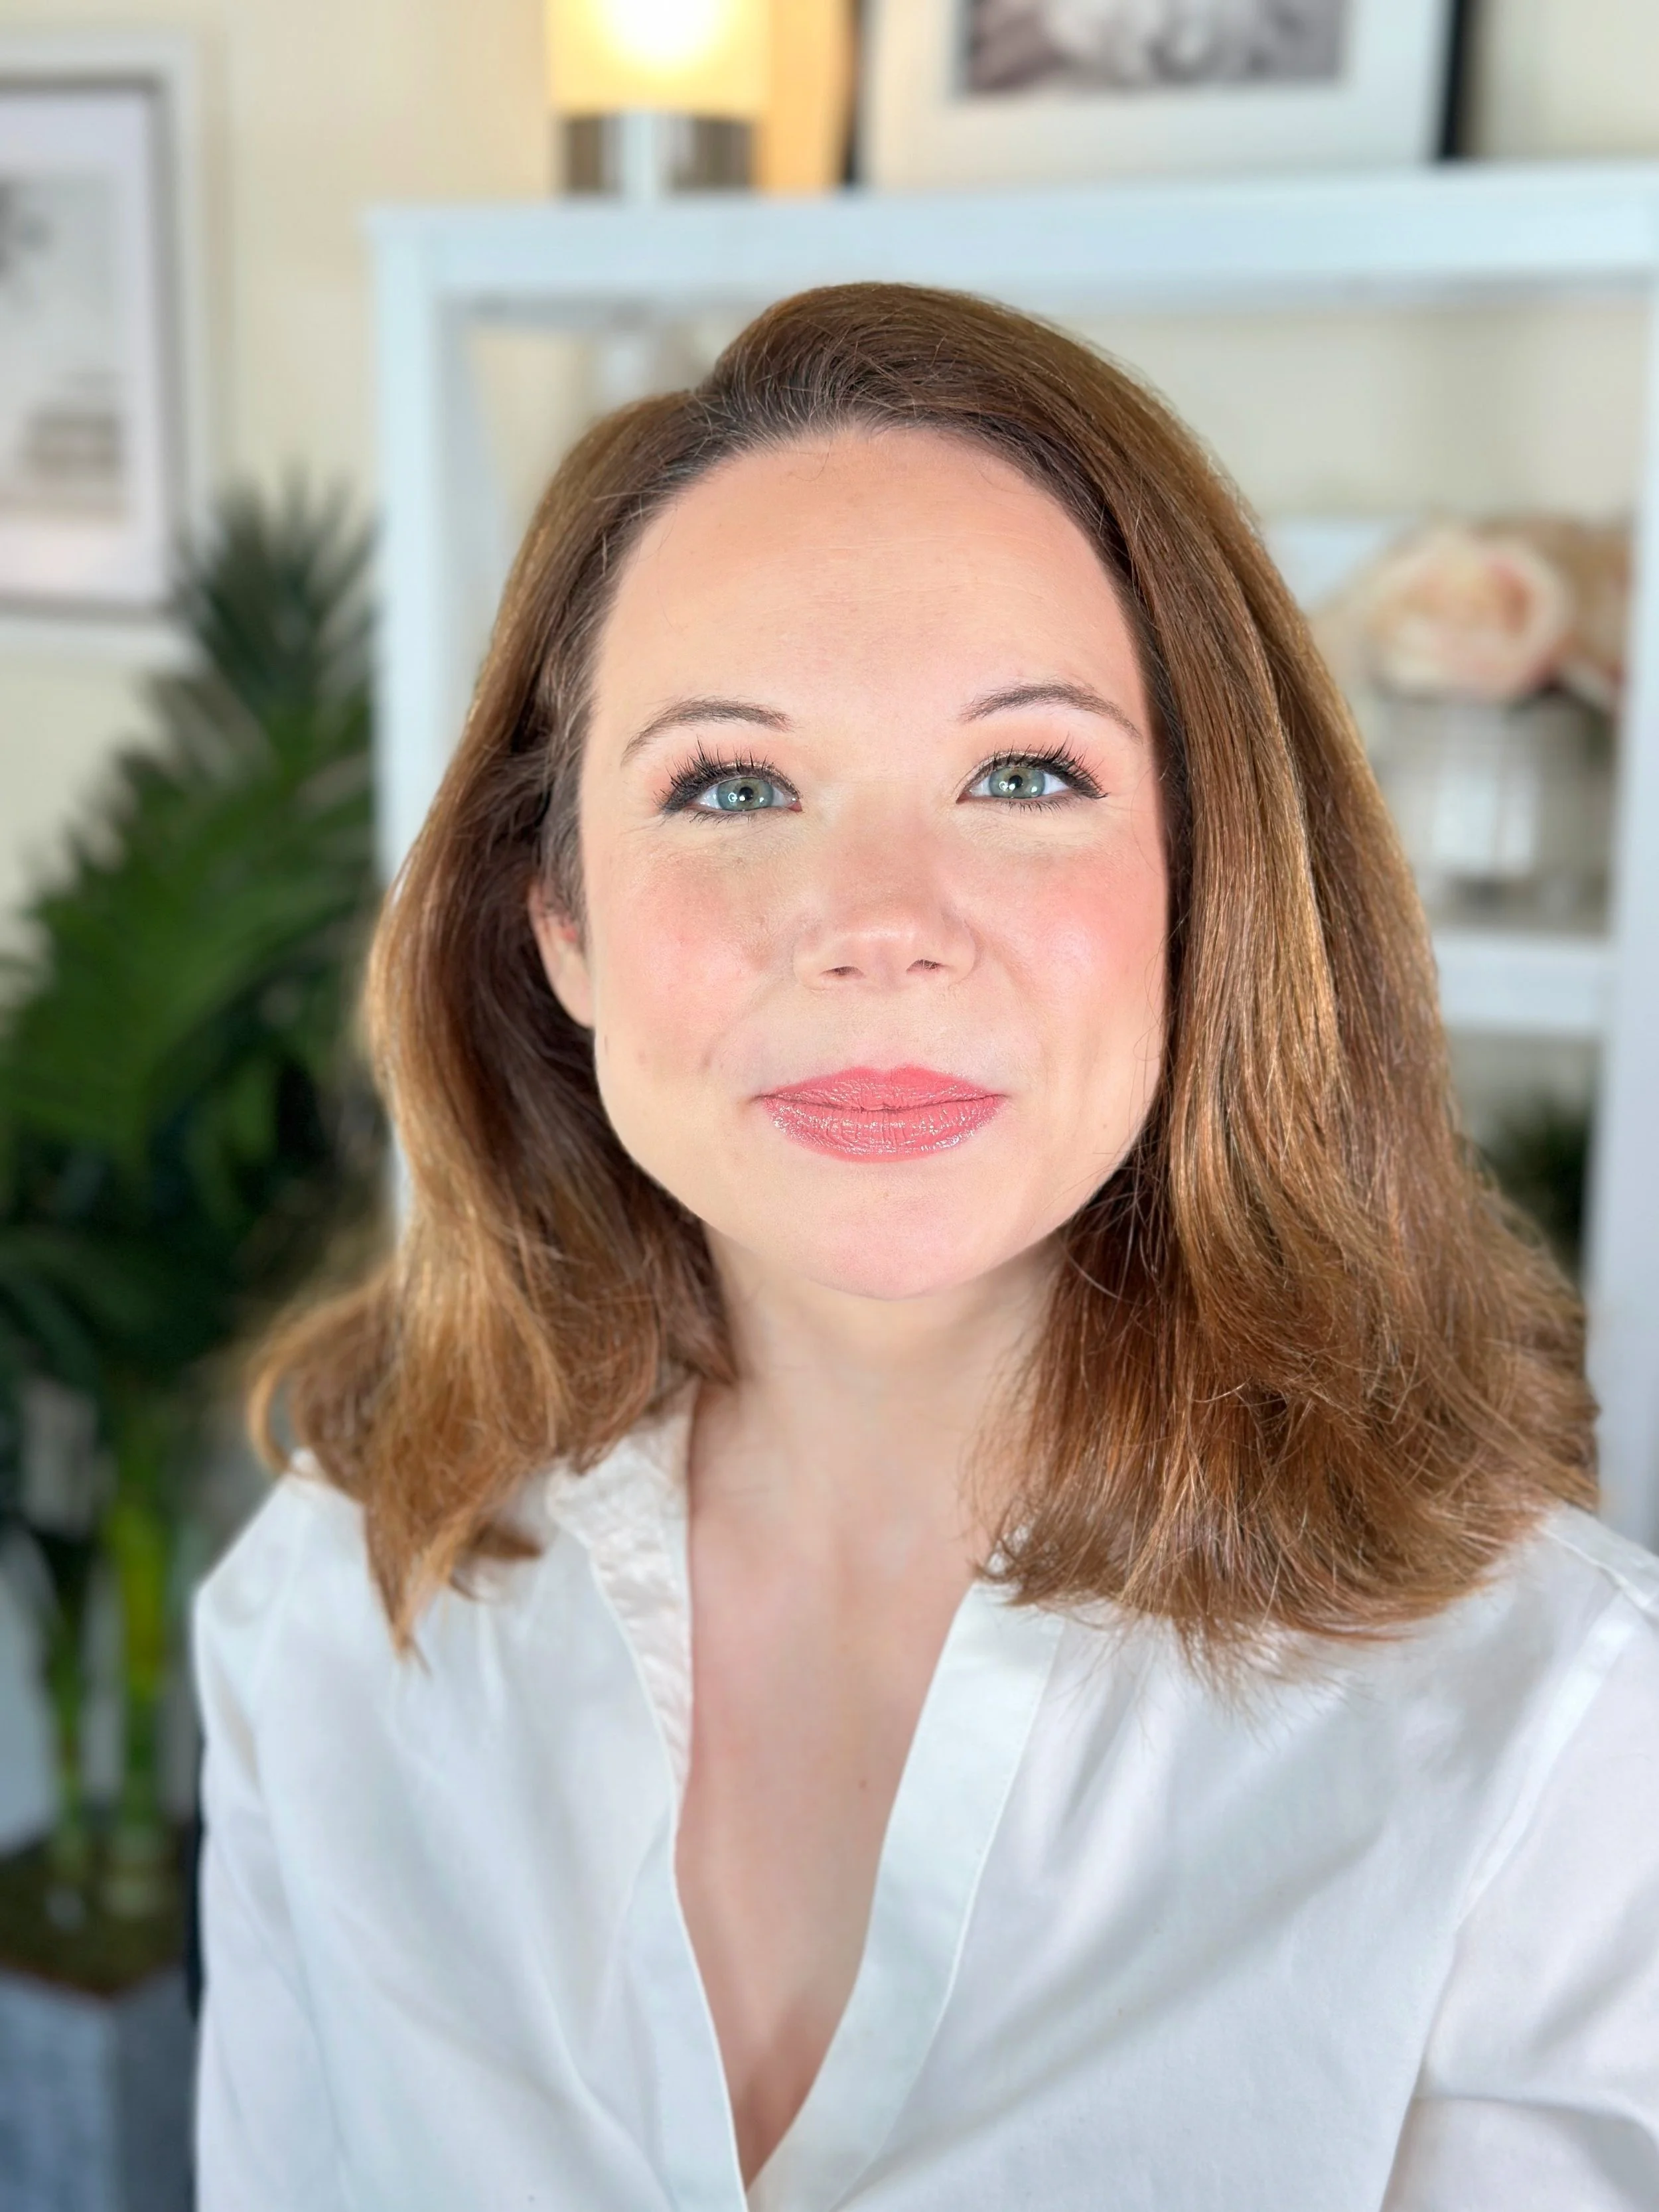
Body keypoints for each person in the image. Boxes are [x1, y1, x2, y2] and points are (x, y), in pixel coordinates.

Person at [192, 283, 1659, 2211]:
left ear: (1203, 889)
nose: (877, 921)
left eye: (1025, 774)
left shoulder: (1548, 1737)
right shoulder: (327, 1615)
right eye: (729, 785)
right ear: (557, 920)